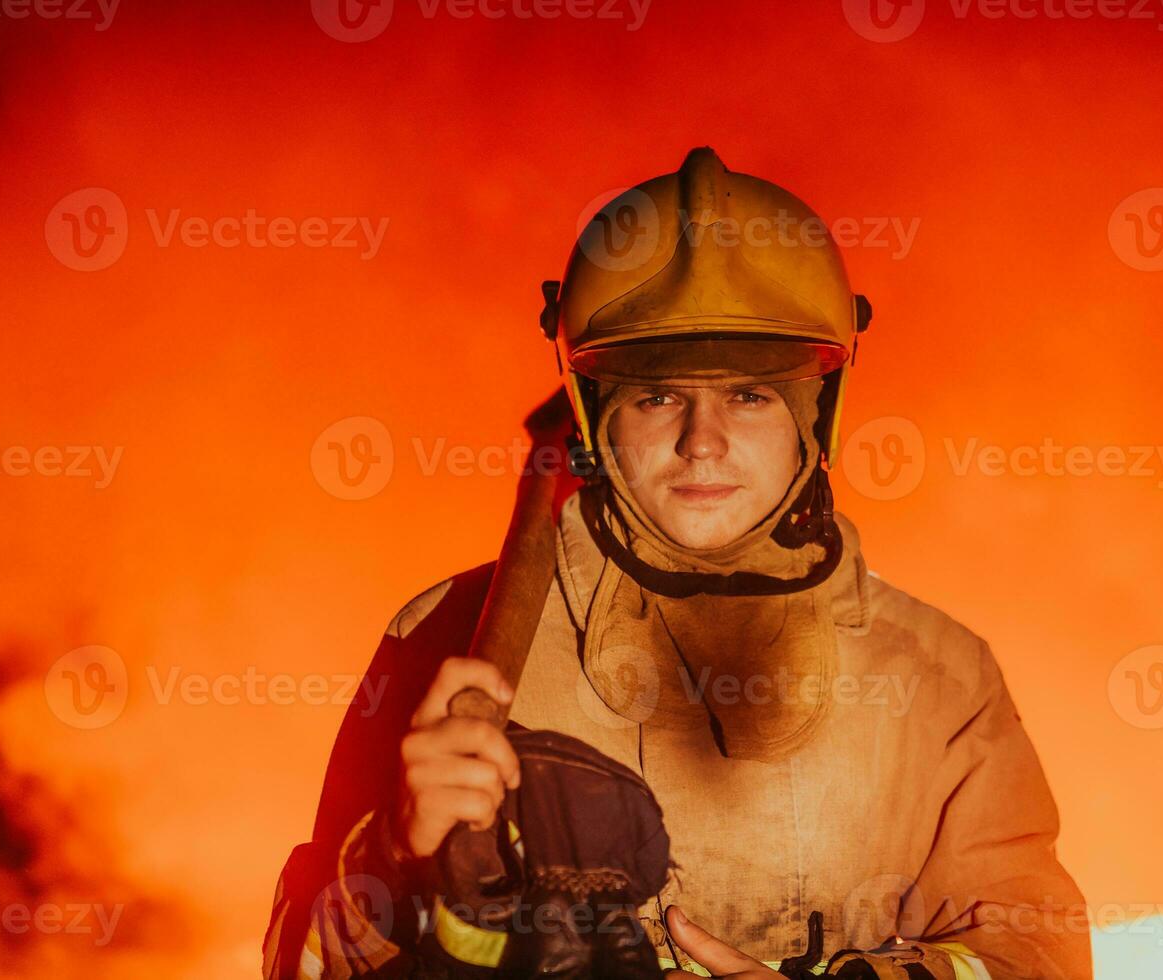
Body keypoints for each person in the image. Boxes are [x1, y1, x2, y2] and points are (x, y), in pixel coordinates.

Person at [263, 148, 1092, 979]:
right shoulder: (448, 639)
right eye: (658, 397)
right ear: (593, 414)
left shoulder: (941, 679)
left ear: (818, 411)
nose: (703, 441)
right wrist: (392, 862)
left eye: (749, 394)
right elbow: (290, 961)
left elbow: (1038, 952)